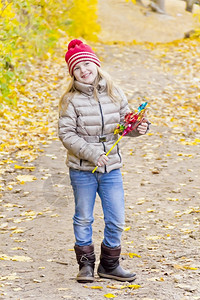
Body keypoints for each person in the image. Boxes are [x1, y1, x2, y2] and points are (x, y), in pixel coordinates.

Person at [58, 39, 150, 284]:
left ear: (96, 65)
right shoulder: (70, 100)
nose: (84, 70)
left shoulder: (114, 92)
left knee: (117, 217)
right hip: (82, 169)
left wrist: (136, 128)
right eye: (77, 68)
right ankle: (85, 266)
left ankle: (110, 265)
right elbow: (66, 134)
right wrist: (90, 153)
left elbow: (123, 124)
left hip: (111, 168)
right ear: (72, 73)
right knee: (84, 217)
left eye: (87, 64)